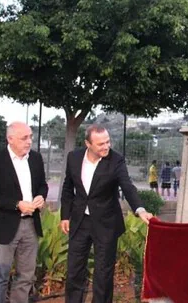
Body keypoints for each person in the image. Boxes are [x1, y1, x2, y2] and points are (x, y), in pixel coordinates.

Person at [60, 124, 153, 302]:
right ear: (88, 143)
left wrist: (140, 209)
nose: (106, 147)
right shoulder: (74, 157)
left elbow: (127, 186)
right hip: (80, 222)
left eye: (108, 142)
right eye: (100, 144)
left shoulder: (116, 160)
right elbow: (67, 187)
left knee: (103, 273)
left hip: (106, 223)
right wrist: (65, 215)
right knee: (74, 270)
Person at [0, 122, 48, 303]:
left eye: (31, 137)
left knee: (26, 276)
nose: (29, 141)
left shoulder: (35, 159)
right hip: (4, 226)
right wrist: (17, 204)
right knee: (0, 277)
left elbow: (42, 185)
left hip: (31, 225)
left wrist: (41, 196)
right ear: (10, 139)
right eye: (24, 138)